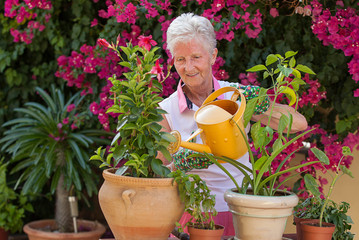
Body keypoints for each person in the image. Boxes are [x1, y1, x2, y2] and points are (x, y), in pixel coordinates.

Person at [158, 13, 308, 236]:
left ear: (212, 56)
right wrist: (180, 163)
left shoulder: (236, 96)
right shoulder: (165, 111)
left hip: (242, 209)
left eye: (196, 57)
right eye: (180, 59)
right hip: (190, 215)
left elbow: (298, 124)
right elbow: (155, 178)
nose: (188, 67)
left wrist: (254, 105)